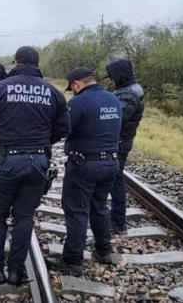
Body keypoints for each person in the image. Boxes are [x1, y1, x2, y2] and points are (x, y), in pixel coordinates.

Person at [0, 46, 70, 285]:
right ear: (37, 64)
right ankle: (16, 271)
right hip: (38, 161)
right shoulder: (54, 92)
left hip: (6, 160)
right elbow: (63, 128)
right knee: (24, 217)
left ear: (16, 62)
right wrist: (41, 144)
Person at [50, 67, 122, 275]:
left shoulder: (78, 102)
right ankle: (104, 251)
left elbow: (63, 128)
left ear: (77, 84)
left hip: (84, 165)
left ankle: (72, 261)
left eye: (72, 88)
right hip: (110, 163)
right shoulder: (113, 100)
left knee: (77, 210)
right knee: (99, 207)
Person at [105, 59, 145, 234]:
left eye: (112, 76)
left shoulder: (129, 94)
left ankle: (117, 222)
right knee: (115, 180)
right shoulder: (127, 90)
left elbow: (114, 117)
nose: (110, 80)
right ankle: (115, 220)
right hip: (121, 140)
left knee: (116, 181)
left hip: (120, 142)